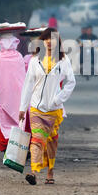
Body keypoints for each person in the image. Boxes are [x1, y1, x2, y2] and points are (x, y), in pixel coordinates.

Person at [19, 28, 76, 185]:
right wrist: (22, 108)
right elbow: (28, 84)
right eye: (46, 39)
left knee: (51, 141)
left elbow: (71, 82)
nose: (49, 42)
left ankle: (50, 171)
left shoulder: (63, 61)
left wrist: (58, 99)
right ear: (42, 41)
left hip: (53, 109)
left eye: (52, 39)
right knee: (36, 140)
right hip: (36, 108)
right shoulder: (34, 60)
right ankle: (34, 171)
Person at [0, 26, 26, 153]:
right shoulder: (19, 56)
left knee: (4, 123)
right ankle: (17, 149)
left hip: (1, 95)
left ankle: (8, 148)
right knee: (17, 122)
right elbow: (22, 77)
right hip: (18, 95)